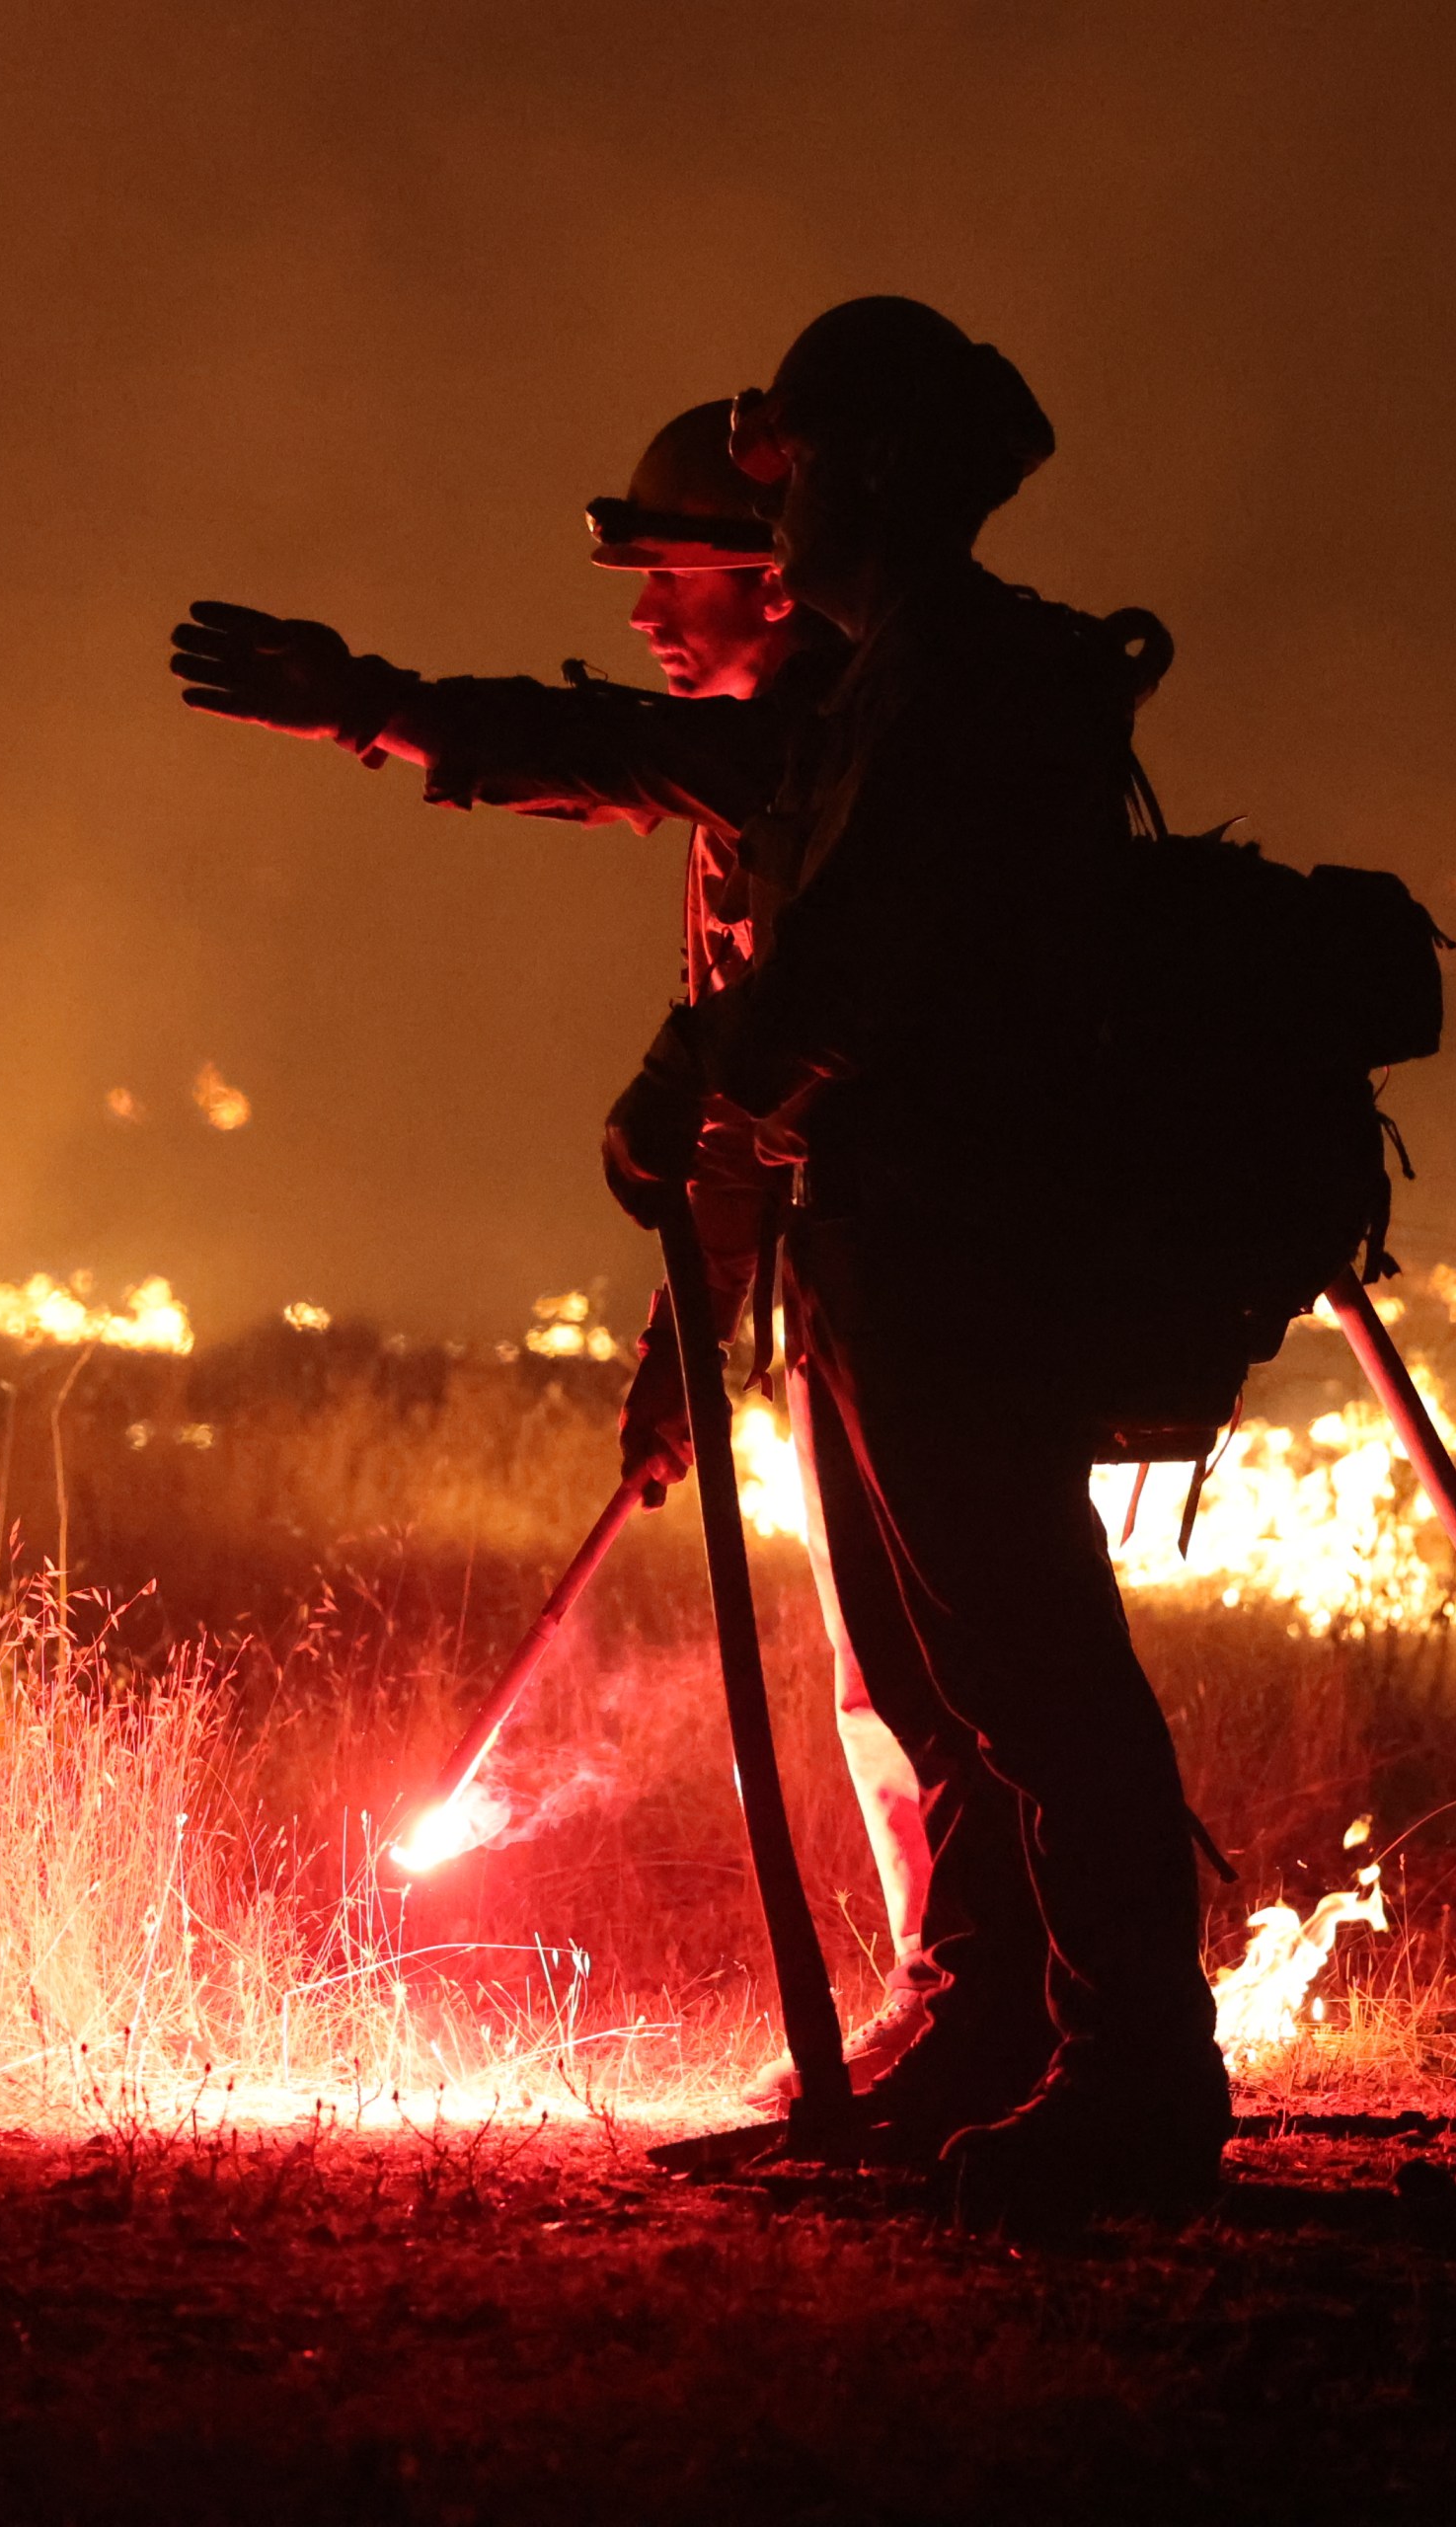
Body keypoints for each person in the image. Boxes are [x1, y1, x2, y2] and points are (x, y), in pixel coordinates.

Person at [165, 405, 947, 2101]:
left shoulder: (828, 750)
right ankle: (964, 2014)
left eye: (674, 578)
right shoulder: (767, 795)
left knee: (946, 1673)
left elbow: (611, 767)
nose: (649, 619)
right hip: (857, 1276)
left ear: (781, 580)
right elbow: (746, 1097)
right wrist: (687, 1360)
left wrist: (376, 708)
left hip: (936, 1270)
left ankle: (1001, 2030)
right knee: (891, 1678)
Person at [599, 297, 1229, 2225]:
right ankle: (990, 2035)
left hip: (964, 1248)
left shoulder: (966, 683)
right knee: (943, 1680)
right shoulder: (903, 676)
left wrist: (703, 1079)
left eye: (787, 475)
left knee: (1024, 1674)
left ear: (864, 476)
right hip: (890, 1251)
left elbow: (861, 954)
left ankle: (1131, 2073)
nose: (765, 521)